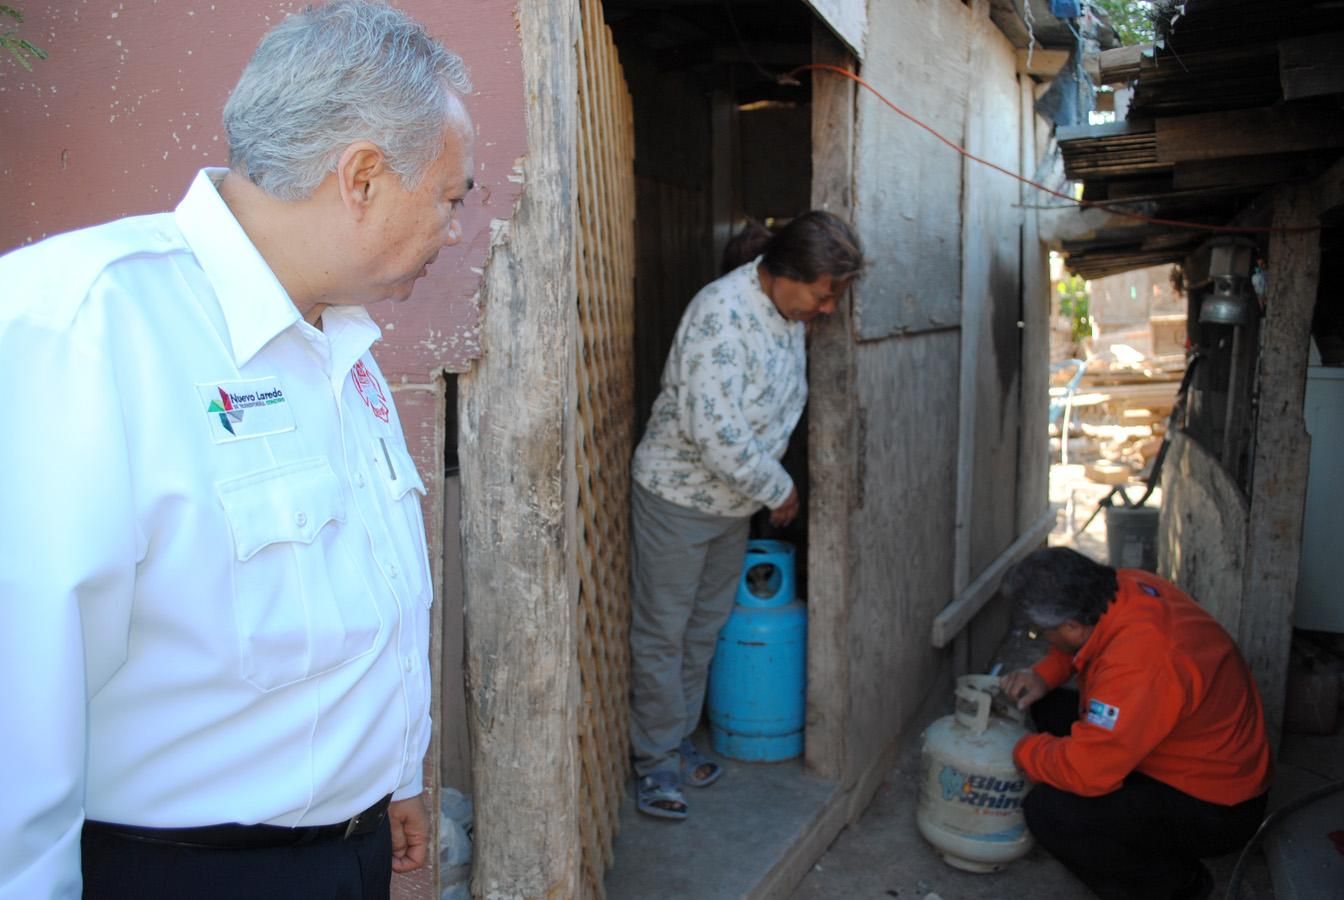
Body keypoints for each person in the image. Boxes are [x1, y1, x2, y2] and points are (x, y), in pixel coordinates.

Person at [0, 2, 475, 897]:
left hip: (346, 850)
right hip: (181, 872)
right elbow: (18, 698)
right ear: (362, 178)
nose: (455, 230)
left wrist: (391, 776)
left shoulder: (341, 343)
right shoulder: (82, 327)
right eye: (452, 198)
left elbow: (365, 589)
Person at [628, 212, 865, 820]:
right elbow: (715, 431)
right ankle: (655, 761)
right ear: (787, 273)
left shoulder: (783, 315)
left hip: (730, 505)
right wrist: (778, 489)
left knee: (702, 629)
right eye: (823, 294)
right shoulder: (721, 313)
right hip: (678, 499)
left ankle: (677, 738)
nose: (827, 308)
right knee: (664, 633)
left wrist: (760, 490)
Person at [999, 548, 1272, 900]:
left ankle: (1176, 886)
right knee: (1046, 707)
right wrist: (1043, 675)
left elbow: (1087, 772)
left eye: (1040, 633)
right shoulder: (1124, 585)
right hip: (1184, 748)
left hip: (1216, 806)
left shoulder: (1140, 662)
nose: (1042, 638)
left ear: (1071, 626)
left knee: (1049, 812)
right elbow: (1078, 646)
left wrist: (1021, 750)